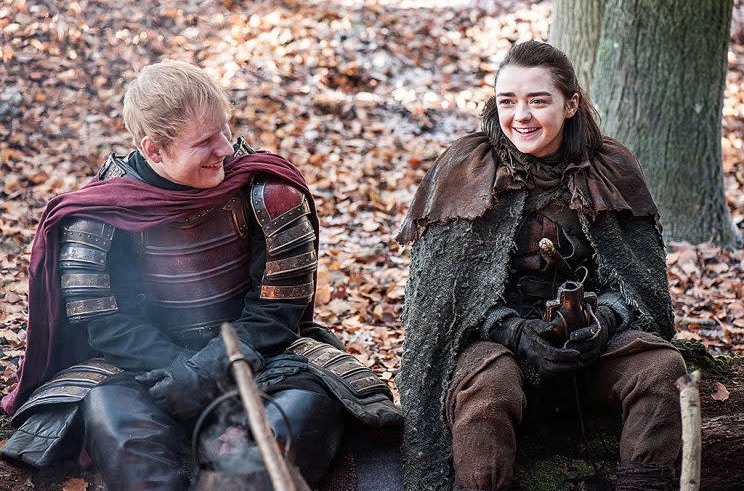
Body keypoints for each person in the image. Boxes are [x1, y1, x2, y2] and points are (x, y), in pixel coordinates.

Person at [1, 60, 401, 490]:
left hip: (266, 357)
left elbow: (281, 307)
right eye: (205, 141)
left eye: (225, 131)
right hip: (145, 370)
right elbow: (106, 325)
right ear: (154, 150)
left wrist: (210, 368)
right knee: (120, 431)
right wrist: (176, 370)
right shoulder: (100, 216)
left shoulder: (268, 195)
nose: (226, 149)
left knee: (293, 421)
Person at [396, 41, 686, 491]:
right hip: (494, 348)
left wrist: (603, 320)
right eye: (507, 101)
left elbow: (638, 283)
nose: (521, 115)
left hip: (593, 348)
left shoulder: (610, 168)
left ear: (570, 104)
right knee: (489, 394)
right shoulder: (466, 172)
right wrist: (515, 332)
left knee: (662, 370)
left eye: (538, 100)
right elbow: (445, 306)